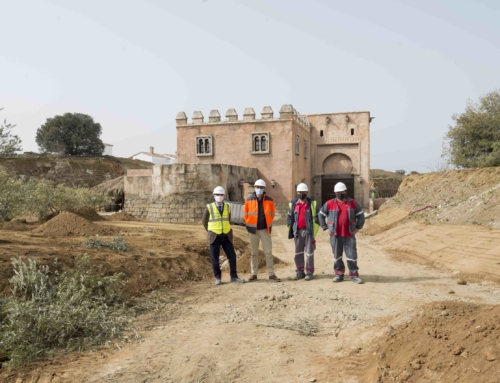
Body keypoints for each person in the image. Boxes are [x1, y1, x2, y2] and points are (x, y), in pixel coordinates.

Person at [318, 182, 365, 284]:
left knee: (352, 256)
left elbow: (361, 216)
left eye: (342, 192)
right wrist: (325, 228)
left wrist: (357, 228)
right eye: (338, 192)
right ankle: (339, 274)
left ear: (345, 192)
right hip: (335, 235)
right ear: (335, 193)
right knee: (337, 256)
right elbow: (321, 215)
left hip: (349, 235)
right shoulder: (329, 204)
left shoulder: (353, 203)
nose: (340, 194)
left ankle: (354, 275)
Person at [202, 186, 245, 285]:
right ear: (214, 196)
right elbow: (204, 221)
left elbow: (228, 220)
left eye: (221, 195)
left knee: (232, 256)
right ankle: (218, 278)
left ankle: (234, 277)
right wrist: (210, 231)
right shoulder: (209, 207)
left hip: (226, 235)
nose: (219, 196)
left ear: (224, 196)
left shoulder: (227, 207)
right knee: (214, 258)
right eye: (217, 195)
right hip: (214, 236)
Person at [243, 179, 281, 282]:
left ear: (264, 189)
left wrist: (268, 222)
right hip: (253, 230)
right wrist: (249, 223)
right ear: (254, 188)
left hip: (265, 229)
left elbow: (272, 213)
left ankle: (271, 274)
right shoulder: (249, 199)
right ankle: (254, 274)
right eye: (257, 187)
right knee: (254, 253)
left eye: (261, 187)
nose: (259, 189)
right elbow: (245, 214)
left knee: (268, 252)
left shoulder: (269, 200)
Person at [287, 183, 320, 281]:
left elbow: (318, 218)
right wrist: (291, 228)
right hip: (298, 232)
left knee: (309, 253)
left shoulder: (313, 204)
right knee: (298, 253)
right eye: (300, 192)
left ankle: (309, 272)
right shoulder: (292, 204)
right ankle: (300, 272)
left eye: (303, 192)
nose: (301, 194)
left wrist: (314, 232)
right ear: (297, 192)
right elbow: (289, 217)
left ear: (307, 192)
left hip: (309, 232)